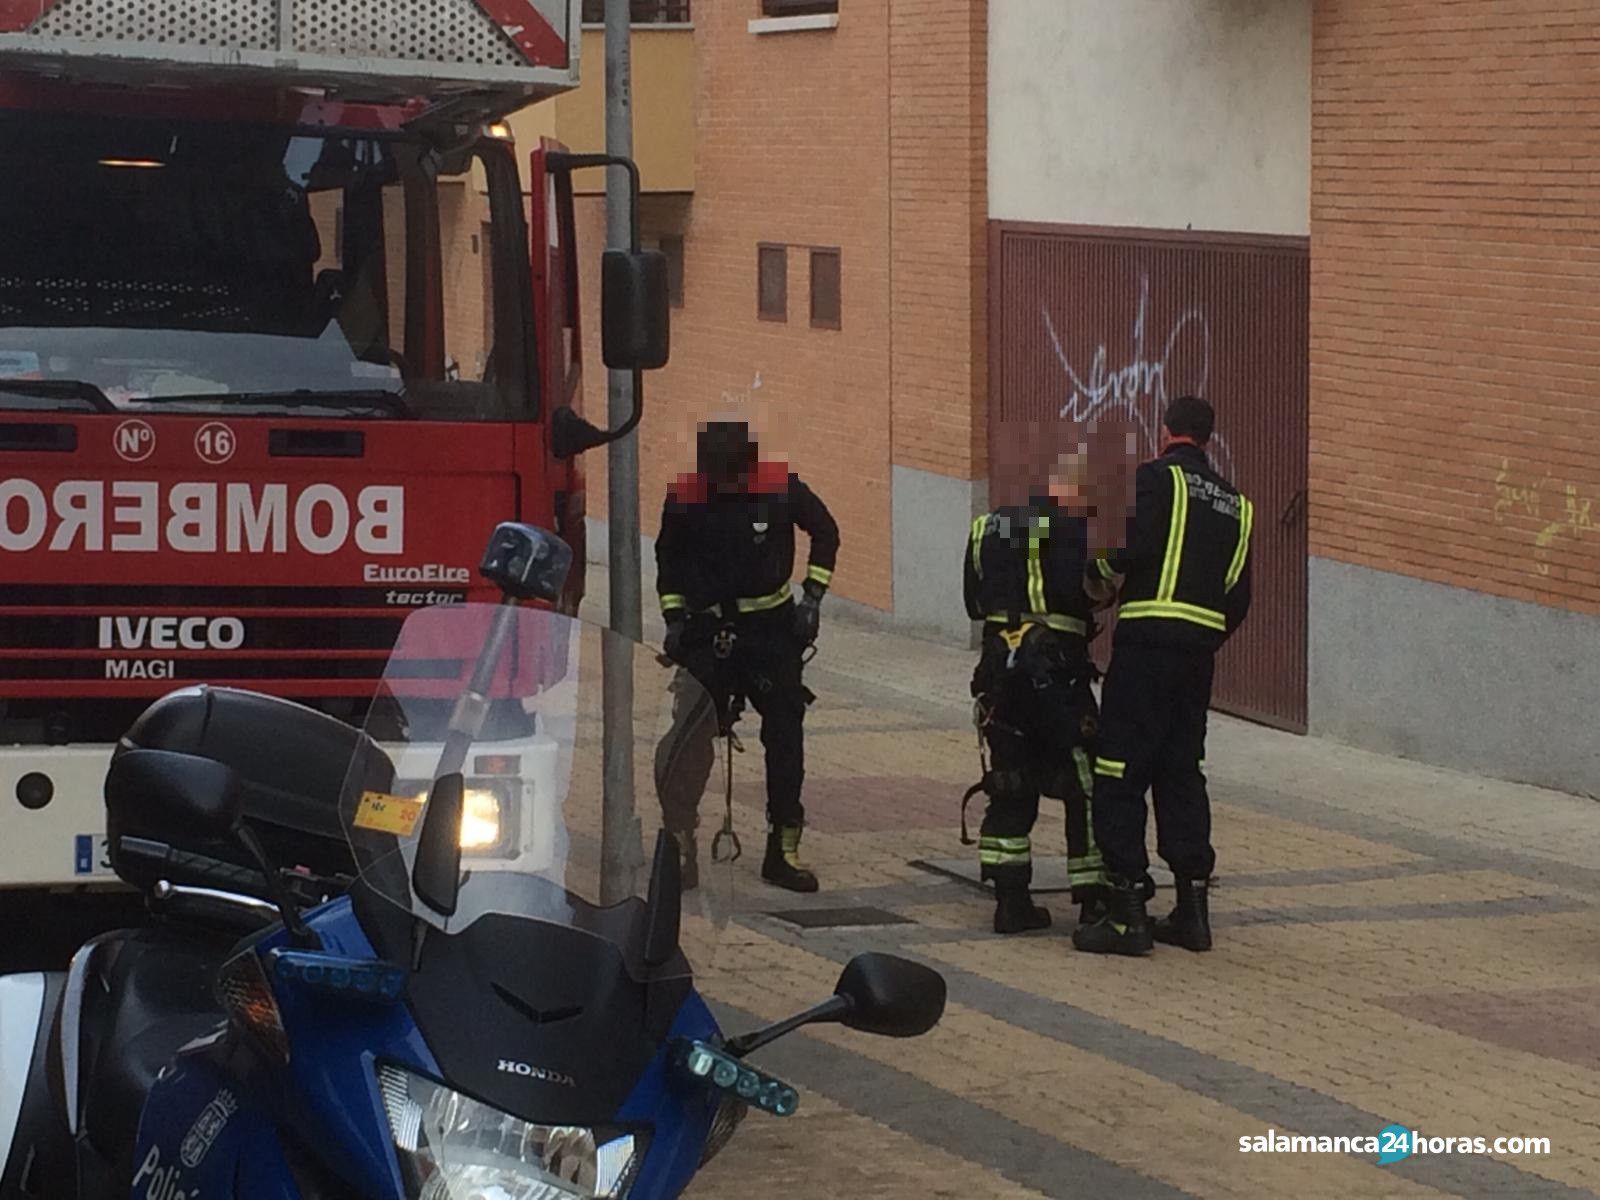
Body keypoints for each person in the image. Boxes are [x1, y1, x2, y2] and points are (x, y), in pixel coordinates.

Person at [1073, 396, 1254, 956]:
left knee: (1118, 767)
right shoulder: (1236, 504)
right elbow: (1238, 598)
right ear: (1208, 438)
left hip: (1147, 646)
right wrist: (1200, 638)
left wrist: (1095, 581)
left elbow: (1128, 548)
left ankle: (1128, 915)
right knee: (1181, 770)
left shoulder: (1155, 479)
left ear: (1166, 432)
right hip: (1196, 656)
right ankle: (1192, 912)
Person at [653, 419, 839, 893]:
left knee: (785, 736)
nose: (725, 487)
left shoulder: (779, 487)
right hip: (706, 630)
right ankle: (680, 842)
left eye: (732, 478)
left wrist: (812, 598)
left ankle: (783, 847)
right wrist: (674, 621)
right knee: (689, 739)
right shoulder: (686, 496)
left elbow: (826, 532)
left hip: (771, 634)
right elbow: (668, 563)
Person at [962, 452, 1111, 934]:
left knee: (1010, 781)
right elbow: (1091, 593)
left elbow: (973, 600)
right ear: (1075, 491)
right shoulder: (1078, 534)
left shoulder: (988, 526)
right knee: (1086, 783)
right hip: (1056, 678)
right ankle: (1093, 900)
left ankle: (1010, 902)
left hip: (1000, 680)